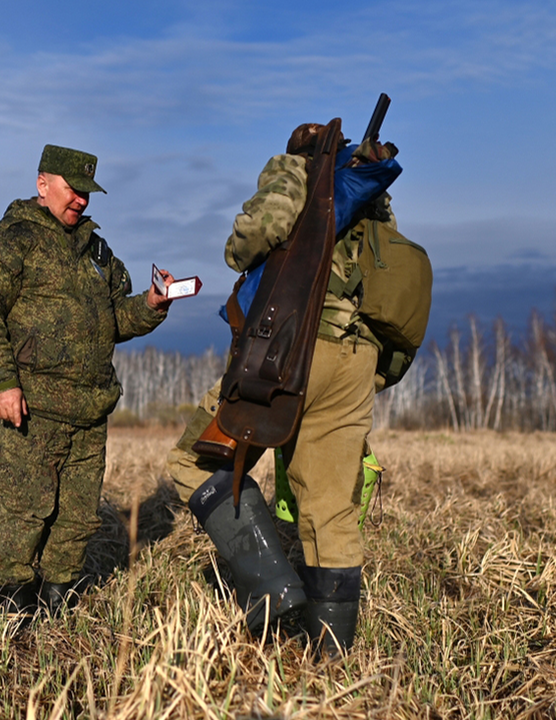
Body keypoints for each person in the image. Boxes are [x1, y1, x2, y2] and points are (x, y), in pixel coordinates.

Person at [166, 122, 395, 657]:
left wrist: (254, 218)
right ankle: (332, 657)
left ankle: (272, 590)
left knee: (194, 460)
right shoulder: (376, 197)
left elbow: (248, 241)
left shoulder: (299, 171)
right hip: (356, 357)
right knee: (330, 507)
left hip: (290, 351)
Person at [0, 144, 173, 616]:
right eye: (74, 191)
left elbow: (116, 317)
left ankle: (57, 605)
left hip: (90, 408)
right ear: (43, 184)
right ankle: (12, 612)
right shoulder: (8, 240)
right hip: (33, 407)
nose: (81, 202)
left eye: (88, 194)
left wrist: (152, 305)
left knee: (77, 518)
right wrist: (0, 382)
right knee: (24, 512)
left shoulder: (97, 250)